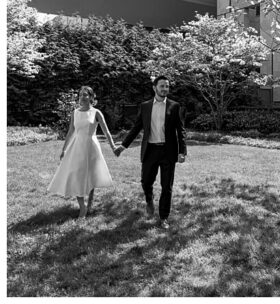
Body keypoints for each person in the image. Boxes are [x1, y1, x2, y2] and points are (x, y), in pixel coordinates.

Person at [113, 75, 187, 229]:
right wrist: (123, 146)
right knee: (146, 182)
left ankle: (164, 218)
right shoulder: (145, 106)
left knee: (167, 186)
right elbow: (136, 128)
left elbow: (180, 131)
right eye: (162, 86)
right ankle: (149, 200)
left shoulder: (175, 106)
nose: (165, 89)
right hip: (150, 150)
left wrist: (182, 151)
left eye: (167, 86)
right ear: (154, 88)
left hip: (168, 151)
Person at [47, 86, 116, 218]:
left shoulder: (96, 113)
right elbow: (70, 132)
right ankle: (83, 207)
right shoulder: (75, 113)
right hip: (77, 147)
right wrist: (64, 149)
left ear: (91, 97)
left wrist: (113, 147)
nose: (82, 97)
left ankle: (89, 201)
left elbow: (106, 132)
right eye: (80, 95)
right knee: (77, 175)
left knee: (90, 175)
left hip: (91, 148)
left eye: (85, 95)